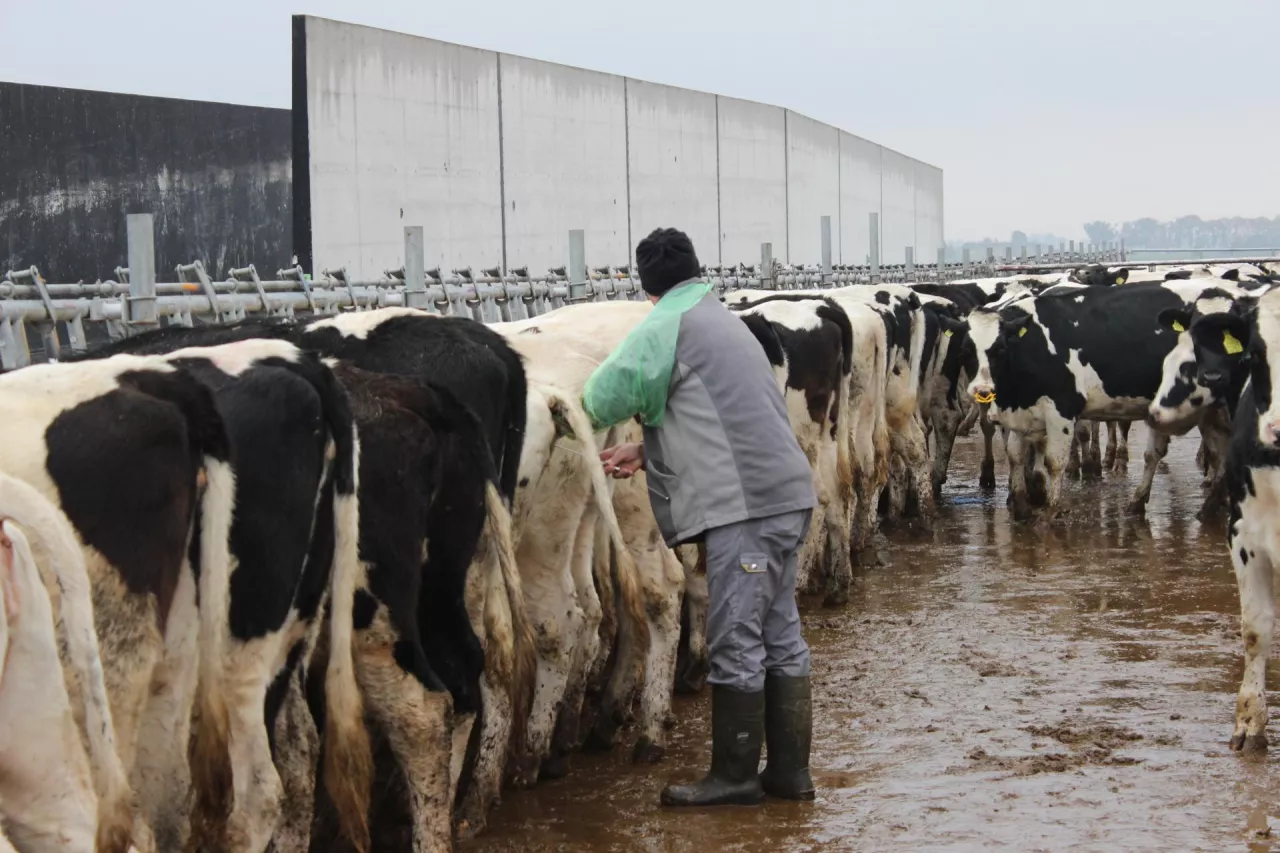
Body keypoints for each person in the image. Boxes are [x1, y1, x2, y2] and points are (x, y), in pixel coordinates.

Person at [581, 227, 818, 807]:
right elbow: (722, 410)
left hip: (748, 510)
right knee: (779, 632)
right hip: (786, 496)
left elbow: (601, 398)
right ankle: (789, 774)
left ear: (647, 288)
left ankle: (734, 776)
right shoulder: (722, 318)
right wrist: (648, 449)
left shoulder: (666, 325)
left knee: (735, 636)